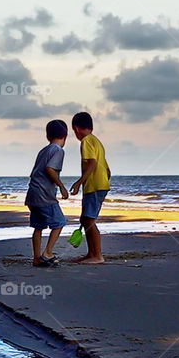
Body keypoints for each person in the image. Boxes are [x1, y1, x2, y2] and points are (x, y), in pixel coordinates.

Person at [24, 119, 69, 267]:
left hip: (33, 194)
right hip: (44, 195)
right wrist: (61, 186)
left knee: (39, 226)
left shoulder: (43, 150)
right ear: (65, 135)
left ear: (47, 136)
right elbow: (50, 169)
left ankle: (36, 258)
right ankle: (48, 252)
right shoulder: (58, 151)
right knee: (59, 222)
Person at [69, 111, 111, 264]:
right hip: (101, 185)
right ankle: (91, 253)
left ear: (76, 129)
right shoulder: (97, 141)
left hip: (93, 187)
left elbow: (92, 163)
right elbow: (107, 170)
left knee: (89, 220)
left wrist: (79, 182)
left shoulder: (86, 141)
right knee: (86, 219)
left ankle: (97, 255)